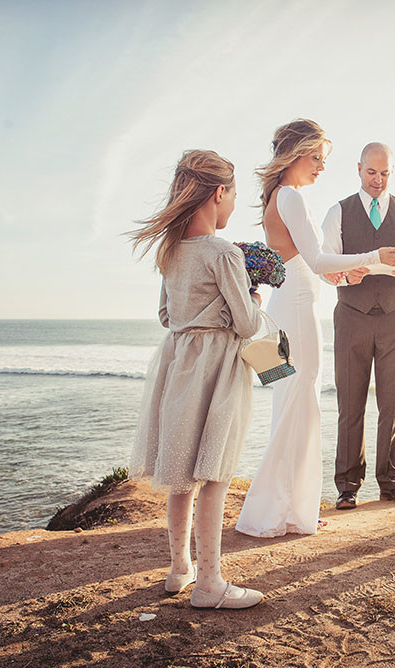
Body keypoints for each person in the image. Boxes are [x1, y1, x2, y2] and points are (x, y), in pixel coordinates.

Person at [235, 120, 395, 538]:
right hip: (295, 312)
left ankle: (290, 509)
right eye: (317, 159)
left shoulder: (281, 196)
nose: (322, 168)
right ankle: (280, 512)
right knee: (300, 405)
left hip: (285, 307)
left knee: (291, 406)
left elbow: (298, 263)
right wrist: (374, 254)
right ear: (296, 154)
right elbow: (314, 259)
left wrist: (340, 276)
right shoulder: (291, 197)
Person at [128, 150, 264, 609]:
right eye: (232, 196)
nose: (231, 207)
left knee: (182, 473)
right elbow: (246, 325)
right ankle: (210, 585)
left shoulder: (170, 251)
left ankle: (179, 569)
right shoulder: (223, 253)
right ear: (219, 193)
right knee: (214, 474)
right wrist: (253, 296)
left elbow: (167, 315)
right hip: (218, 370)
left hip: (179, 364)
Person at [320, 142, 395, 511]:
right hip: (351, 316)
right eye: (372, 172)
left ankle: (389, 480)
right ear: (359, 169)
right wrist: (343, 276)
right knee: (350, 404)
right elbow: (325, 267)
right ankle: (348, 485)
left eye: (385, 173)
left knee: (391, 404)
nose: (378, 180)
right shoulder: (338, 212)